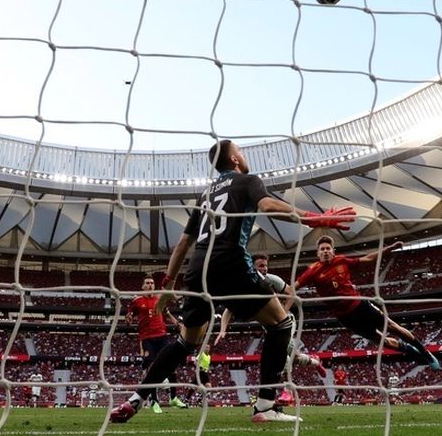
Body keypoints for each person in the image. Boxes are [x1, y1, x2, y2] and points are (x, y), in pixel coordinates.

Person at [110, 139, 355, 424]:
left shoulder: (205, 195)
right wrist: (314, 219)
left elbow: (183, 242)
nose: (244, 154)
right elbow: (269, 204)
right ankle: (265, 406)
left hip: (198, 269)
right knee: (282, 324)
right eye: (241, 150)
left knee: (185, 343)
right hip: (231, 262)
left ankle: (135, 400)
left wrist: (169, 283)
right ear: (235, 159)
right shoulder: (247, 180)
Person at [289, 236, 440, 370]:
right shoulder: (313, 271)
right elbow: (293, 288)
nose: (325, 251)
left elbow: (367, 259)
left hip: (360, 306)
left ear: (333, 251)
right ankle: (409, 350)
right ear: (318, 253)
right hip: (346, 318)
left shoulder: (341, 261)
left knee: (393, 326)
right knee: (383, 342)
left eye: (328, 248)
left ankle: (425, 353)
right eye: (322, 249)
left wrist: (389, 249)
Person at [215, 253, 327, 405]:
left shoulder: (272, 280)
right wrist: (223, 330)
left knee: (282, 352)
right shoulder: (244, 285)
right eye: (261, 265)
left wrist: (285, 311)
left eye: (266, 265)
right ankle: (315, 361)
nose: (265, 268)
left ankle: (287, 391)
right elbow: (228, 310)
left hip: (285, 323)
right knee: (295, 357)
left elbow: (291, 293)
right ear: (251, 267)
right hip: (270, 327)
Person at [125, 275, 188, 412]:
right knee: (152, 365)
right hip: (147, 337)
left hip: (162, 335)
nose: (150, 285)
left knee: (171, 365)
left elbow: (166, 313)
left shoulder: (160, 298)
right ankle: (154, 400)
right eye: (147, 283)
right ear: (143, 286)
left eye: (152, 283)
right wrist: (128, 318)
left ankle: (173, 398)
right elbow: (129, 315)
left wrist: (176, 323)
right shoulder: (136, 301)